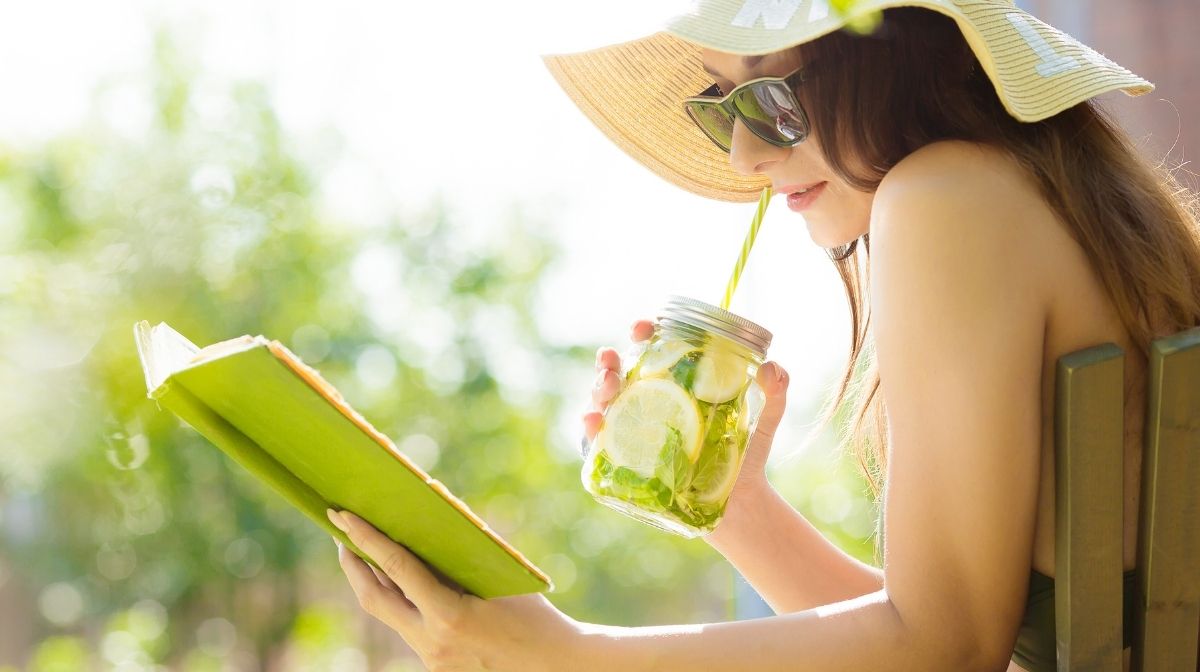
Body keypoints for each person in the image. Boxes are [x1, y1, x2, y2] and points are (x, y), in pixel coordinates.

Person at [326, 1, 1200, 670]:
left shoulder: (943, 198)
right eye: (720, 103)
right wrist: (742, 514)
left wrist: (568, 652)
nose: (743, 153)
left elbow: (944, 646)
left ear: (894, 55)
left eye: (770, 96)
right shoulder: (1054, 199)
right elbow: (950, 626)